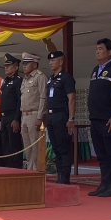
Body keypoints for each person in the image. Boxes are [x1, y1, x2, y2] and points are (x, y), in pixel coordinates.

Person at [87, 38, 111, 198]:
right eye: (96, 49)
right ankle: (105, 183)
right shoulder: (95, 70)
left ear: (110, 52)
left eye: (101, 49)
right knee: (101, 154)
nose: (97, 51)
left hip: (109, 119)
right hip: (95, 118)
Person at [46, 51, 76, 184]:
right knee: (55, 147)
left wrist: (71, 118)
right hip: (51, 115)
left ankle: (65, 177)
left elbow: (71, 99)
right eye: (50, 61)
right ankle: (59, 174)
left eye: (53, 60)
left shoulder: (66, 78)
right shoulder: (51, 78)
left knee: (63, 147)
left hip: (61, 115)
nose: (50, 63)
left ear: (61, 62)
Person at [20, 52, 48, 170]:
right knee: (28, 147)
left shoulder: (40, 77)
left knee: (35, 146)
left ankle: (36, 170)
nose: (24, 66)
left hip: (34, 114)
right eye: (24, 63)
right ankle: (29, 169)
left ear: (35, 65)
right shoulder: (25, 79)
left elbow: (43, 97)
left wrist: (40, 117)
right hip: (24, 116)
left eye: (27, 63)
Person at [0, 53, 23, 169]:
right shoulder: (5, 81)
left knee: (14, 144)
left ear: (16, 67)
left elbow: (20, 101)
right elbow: (2, 101)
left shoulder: (18, 81)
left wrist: (16, 119)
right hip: (4, 117)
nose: (6, 68)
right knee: (5, 145)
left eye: (9, 66)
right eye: (5, 66)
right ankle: (8, 168)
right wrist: (0, 118)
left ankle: (16, 168)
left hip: (12, 116)